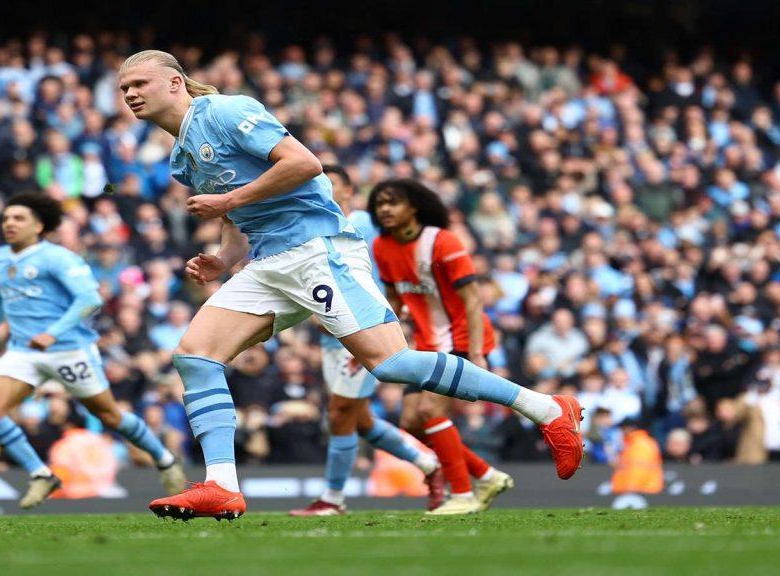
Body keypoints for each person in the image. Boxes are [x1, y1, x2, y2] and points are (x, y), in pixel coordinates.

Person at [118, 49, 581, 522]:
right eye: (124, 88)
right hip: (269, 262)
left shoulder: (225, 111)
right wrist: (222, 260)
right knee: (195, 355)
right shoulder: (180, 156)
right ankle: (221, 485)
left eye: (140, 83)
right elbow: (237, 218)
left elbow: (304, 164)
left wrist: (228, 200)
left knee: (391, 364)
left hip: (317, 249)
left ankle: (546, 408)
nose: (131, 94)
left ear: (175, 82)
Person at [0, 191, 185, 509]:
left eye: (19, 218)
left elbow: (90, 299)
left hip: (69, 349)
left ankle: (165, 459)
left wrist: (52, 332)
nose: (9, 224)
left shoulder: (58, 258)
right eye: (6, 218)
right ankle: (41, 475)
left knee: (109, 415)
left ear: (39, 225)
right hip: (24, 352)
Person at [289, 165, 441, 517]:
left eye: (331, 185)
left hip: (363, 331)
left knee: (340, 413)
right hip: (330, 337)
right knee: (360, 420)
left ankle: (332, 499)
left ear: (349, 191)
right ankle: (430, 465)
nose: (323, 190)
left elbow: (398, 259)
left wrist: (391, 315)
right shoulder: (309, 224)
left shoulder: (367, 224)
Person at [369, 178, 514, 515]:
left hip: (461, 338)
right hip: (425, 343)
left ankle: (463, 494)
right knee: (410, 422)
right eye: (380, 204)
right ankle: (485, 474)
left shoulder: (444, 242)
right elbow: (394, 299)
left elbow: (473, 298)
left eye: (393, 202)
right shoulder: (382, 246)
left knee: (432, 412)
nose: (385, 209)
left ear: (414, 206)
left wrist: (476, 353)